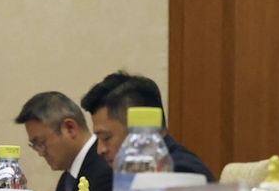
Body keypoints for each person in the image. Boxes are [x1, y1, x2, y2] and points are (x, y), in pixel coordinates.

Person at [79, 71, 216, 182]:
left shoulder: (181, 174)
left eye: (106, 138)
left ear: (139, 128)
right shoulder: (132, 170)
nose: (100, 150)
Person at [15, 90, 112, 191]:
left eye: (41, 143)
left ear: (70, 128)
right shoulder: (67, 178)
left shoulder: (106, 171)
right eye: (35, 145)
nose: (40, 153)